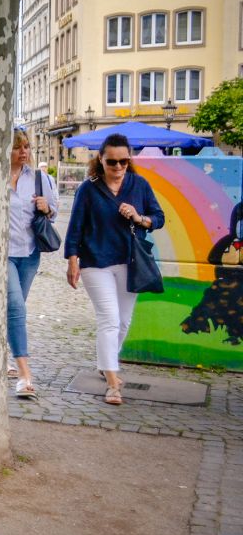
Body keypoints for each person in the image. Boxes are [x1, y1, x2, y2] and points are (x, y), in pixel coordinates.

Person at [63, 133, 164, 406]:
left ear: (129, 160)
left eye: (123, 161)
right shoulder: (88, 189)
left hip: (130, 262)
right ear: (101, 159)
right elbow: (75, 228)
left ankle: (106, 362)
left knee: (123, 321)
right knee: (109, 319)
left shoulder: (139, 185)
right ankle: (112, 382)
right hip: (96, 263)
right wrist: (72, 261)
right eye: (112, 162)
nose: (118, 167)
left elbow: (159, 217)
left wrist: (139, 218)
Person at [6, 131, 58, 399]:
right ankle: (24, 374)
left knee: (12, 308)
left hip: (29, 253)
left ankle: (1, 353)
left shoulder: (39, 178)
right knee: (16, 307)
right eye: (17, 147)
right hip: (2, 255)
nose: (24, 152)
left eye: (26, 146)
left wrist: (46, 208)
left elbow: (54, 213)